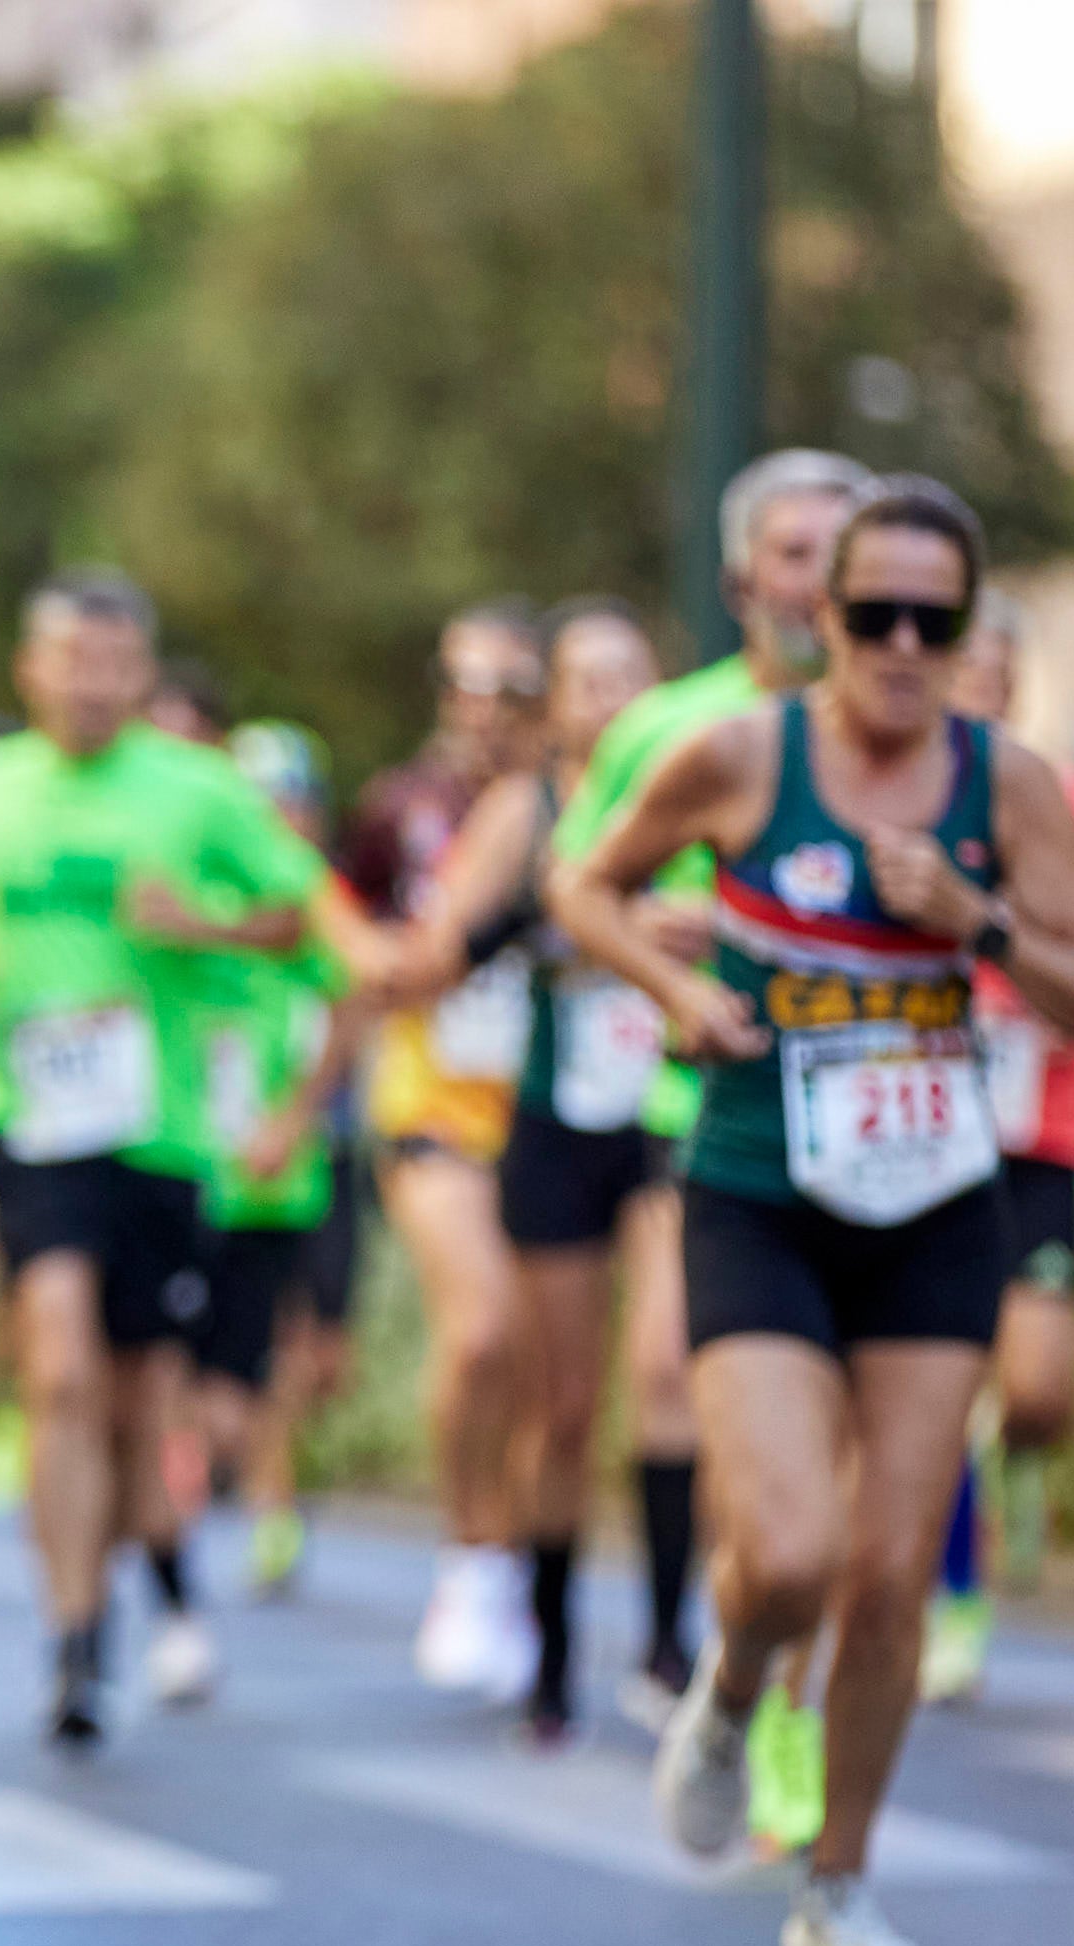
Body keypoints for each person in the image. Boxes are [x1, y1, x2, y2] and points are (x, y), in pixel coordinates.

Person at [553, 477, 1074, 1946]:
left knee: (888, 1571)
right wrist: (675, 991)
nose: (897, 643)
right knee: (793, 1548)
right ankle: (734, 1691)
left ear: (964, 628)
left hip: (938, 1203)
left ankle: (844, 1882)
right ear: (817, 618)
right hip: (759, 1190)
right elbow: (581, 882)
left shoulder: (1006, 788)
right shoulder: (742, 754)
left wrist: (977, 919)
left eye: (929, 619)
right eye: (868, 612)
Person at [0, 571, 324, 1740]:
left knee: (140, 1400)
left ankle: (123, 1595)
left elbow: (300, 919)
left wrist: (202, 925)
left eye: (112, 663)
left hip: (161, 1127)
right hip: (30, 1118)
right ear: (27, 670)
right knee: (55, 1368)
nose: (90, 683)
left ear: (141, 674)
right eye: (67, 659)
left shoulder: (200, 789)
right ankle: (72, 1636)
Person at [554, 445, 874, 1818]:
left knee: (857, 1450)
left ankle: (790, 1699)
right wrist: (666, 952)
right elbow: (576, 886)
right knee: (689, 1390)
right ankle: (695, 1642)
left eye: (844, 553)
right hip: (708, 1107)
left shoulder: (914, 738)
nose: (823, 582)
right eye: (798, 553)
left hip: (878, 1119)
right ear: (747, 575)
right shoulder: (675, 726)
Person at [437, 599, 679, 1738]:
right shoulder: (521, 811)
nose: (610, 701)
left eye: (630, 677)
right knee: (566, 1400)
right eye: (588, 681)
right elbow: (443, 944)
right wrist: (538, 917)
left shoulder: (699, 790)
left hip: (671, 1110)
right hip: (556, 1117)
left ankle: (672, 1638)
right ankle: (547, 1640)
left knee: (670, 1369)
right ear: (556, 708)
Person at [916, 596, 1074, 1702]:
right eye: (969, 672)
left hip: (1040, 1126)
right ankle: (953, 1595)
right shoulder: (897, 804)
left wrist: (1049, 987)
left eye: (998, 674)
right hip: (928, 1124)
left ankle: (1018, 1467)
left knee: (1038, 1386)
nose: (983, 691)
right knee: (947, 1381)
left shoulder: (1069, 802)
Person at [340, 604, 553, 1702]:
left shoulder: (582, 807)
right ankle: (468, 1551)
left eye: (512, 691)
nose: (486, 714)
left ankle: (517, 1557)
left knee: (538, 1361)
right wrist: (404, 956)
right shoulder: (400, 808)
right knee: (478, 1332)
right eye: (466, 688)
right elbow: (342, 924)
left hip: (553, 1115)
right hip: (431, 1107)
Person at [224, 719, 359, 1597]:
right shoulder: (208, 899)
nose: (283, 821)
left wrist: (300, 1111)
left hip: (317, 1150)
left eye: (295, 803)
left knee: (314, 1353)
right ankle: (258, 1496)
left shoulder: (321, 900)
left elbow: (356, 1003)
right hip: (220, 1158)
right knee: (230, 1362)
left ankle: (276, 1493)